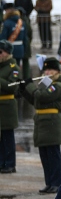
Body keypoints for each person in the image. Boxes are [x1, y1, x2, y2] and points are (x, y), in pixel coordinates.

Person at [20, 57, 61, 192]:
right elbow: (35, 100)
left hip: (52, 123)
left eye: (50, 69)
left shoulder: (58, 85)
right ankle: (49, 182)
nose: (47, 72)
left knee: (53, 155)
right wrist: (24, 88)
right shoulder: (44, 85)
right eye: (45, 69)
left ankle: (57, 183)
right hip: (41, 122)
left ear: (57, 71)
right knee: (45, 156)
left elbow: (41, 96)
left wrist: (31, 86)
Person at [0, 40, 20, 173]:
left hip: (7, 106)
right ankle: (2, 162)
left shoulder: (13, 67)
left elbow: (13, 87)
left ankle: (10, 163)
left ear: (7, 53)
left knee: (7, 136)